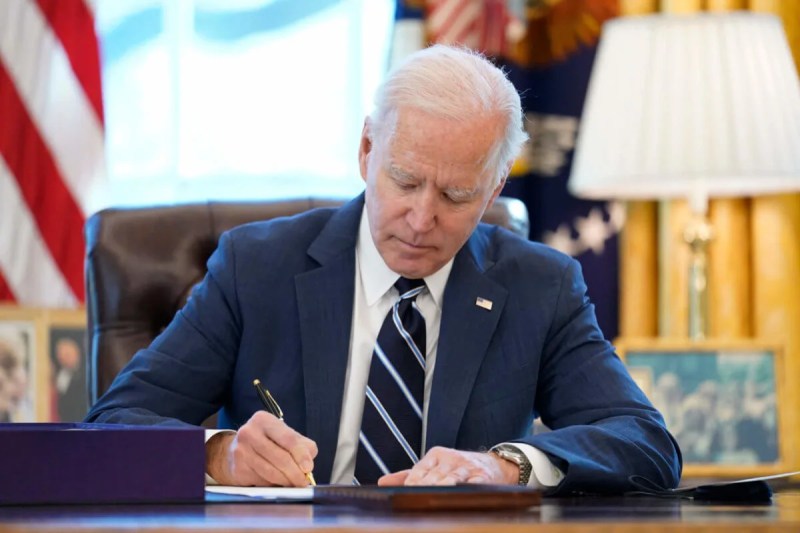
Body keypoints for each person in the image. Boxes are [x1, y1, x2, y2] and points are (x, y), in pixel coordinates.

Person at [86, 44, 681, 494]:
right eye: (405, 180)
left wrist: (506, 465)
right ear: (368, 150)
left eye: (455, 196)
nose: (421, 219)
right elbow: (113, 423)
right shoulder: (255, 266)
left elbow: (645, 442)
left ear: (495, 185)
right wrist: (219, 454)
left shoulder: (539, 286)